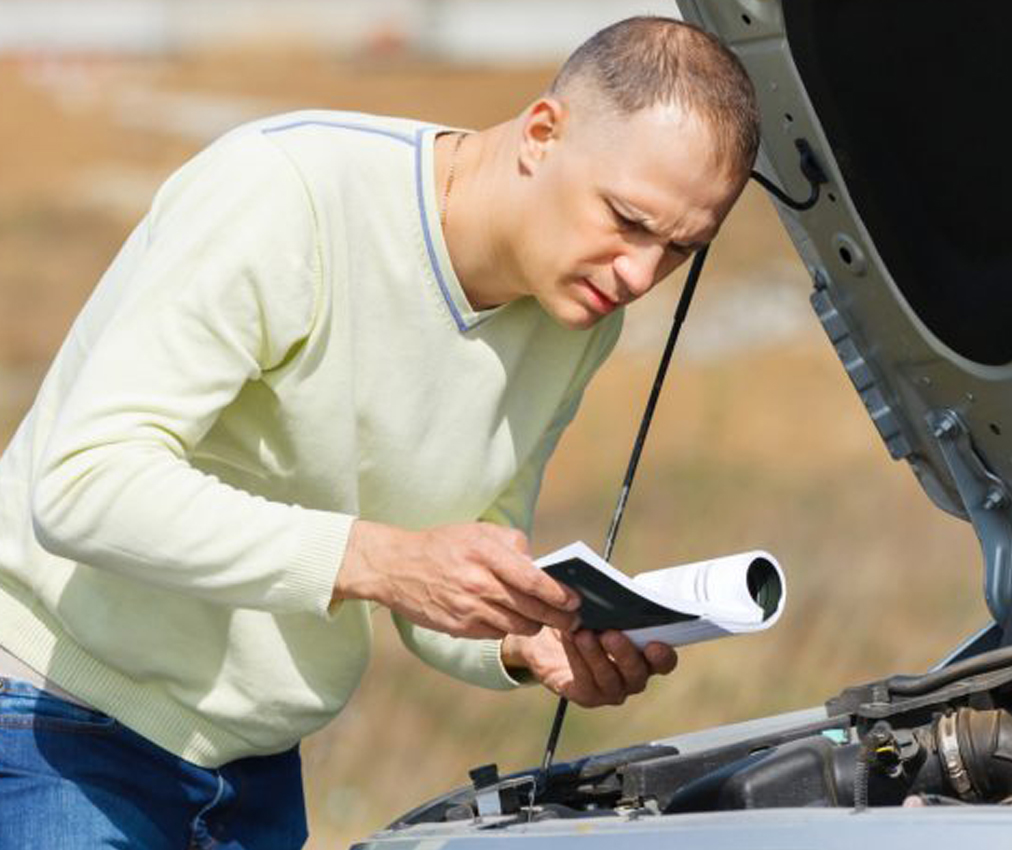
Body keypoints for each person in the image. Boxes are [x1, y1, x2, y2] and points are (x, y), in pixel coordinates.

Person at [0, 15, 759, 849]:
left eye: (683, 250)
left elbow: (448, 562)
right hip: (55, 728)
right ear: (543, 134)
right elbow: (81, 487)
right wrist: (381, 560)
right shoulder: (284, 193)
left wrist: (521, 638)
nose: (642, 275)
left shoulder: (574, 316)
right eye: (628, 220)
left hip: (254, 775)